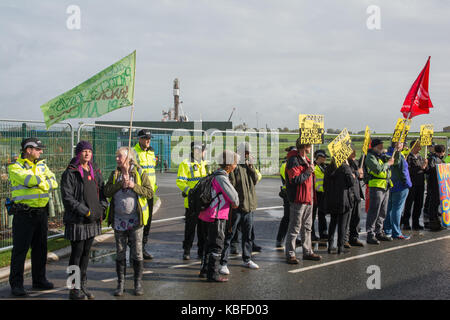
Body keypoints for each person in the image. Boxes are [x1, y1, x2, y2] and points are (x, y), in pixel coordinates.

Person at [7, 138, 58, 297]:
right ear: (28, 150)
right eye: (38, 149)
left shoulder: (42, 164)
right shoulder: (15, 167)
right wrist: (43, 180)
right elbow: (29, 181)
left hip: (41, 213)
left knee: (40, 249)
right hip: (24, 214)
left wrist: (41, 182)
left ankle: (39, 280)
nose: (41, 151)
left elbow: (54, 182)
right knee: (20, 251)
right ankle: (16, 284)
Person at [61, 141, 108, 300]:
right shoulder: (70, 173)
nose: (87, 153)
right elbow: (68, 198)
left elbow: (101, 191)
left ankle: (83, 285)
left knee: (87, 253)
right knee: (77, 254)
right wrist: (85, 211)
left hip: (93, 219)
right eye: (84, 151)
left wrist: (102, 207)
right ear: (78, 153)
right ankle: (73, 289)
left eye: (89, 151)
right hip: (78, 220)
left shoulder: (95, 169)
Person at [104, 147, 153, 296]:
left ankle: (137, 284)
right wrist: (120, 184)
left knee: (137, 254)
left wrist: (133, 186)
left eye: (120, 156)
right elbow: (106, 191)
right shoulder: (115, 174)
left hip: (136, 221)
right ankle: (121, 284)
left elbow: (149, 193)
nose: (117, 159)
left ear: (128, 158)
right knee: (120, 253)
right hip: (119, 221)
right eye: (116, 156)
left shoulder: (140, 174)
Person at [219, 143, 260, 275]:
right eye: (245, 153)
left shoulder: (249, 166)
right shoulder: (233, 166)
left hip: (249, 207)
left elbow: (255, 180)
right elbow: (230, 186)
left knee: (247, 236)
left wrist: (251, 168)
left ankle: (247, 259)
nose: (247, 155)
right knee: (229, 236)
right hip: (236, 208)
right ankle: (223, 263)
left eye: (248, 153)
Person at [198, 150, 239, 282]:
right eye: (235, 163)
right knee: (217, 245)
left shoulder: (214, 174)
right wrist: (234, 203)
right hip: (217, 215)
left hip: (205, 214)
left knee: (207, 244)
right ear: (229, 165)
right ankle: (213, 274)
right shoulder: (222, 177)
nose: (236, 165)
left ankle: (204, 270)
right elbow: (235, 198)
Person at [284, 139, 321, 264]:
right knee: (295, 227)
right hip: (298, 199)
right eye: (310, 145)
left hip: (308, 198)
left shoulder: (307, 160)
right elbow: (294, 179)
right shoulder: (294, 160)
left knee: (307, 227)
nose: (311, 148)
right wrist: (308, 171)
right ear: (304, 146)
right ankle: (290, 254)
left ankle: (307, 251)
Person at [176, 142, 209, 260]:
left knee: (202, 229)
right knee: (190, 228)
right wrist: (189, 191)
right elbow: (180, 181)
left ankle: (201, 251)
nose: (203, 153)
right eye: (201, 150)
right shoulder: (185, 164)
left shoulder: (206, 164)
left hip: (204, 203)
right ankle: (187, 250)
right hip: (191, 203)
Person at [364, 138, 395, 245]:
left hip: (385, 185)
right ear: (374, 147)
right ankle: (370, 233)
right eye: (380, 146)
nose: (382, 148)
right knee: (374, 211)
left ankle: (379, 231)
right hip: (376, 186)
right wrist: (388, 164)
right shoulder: (370, 157)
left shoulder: (381, 156)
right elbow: (378, 169)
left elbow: (393, 159)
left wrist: (395, 151)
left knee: (383, 211)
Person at [133, 129, 157, 260]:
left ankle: (143, 248)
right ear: (139, 139)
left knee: (147, 221)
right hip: (139, 193)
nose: (148, 140)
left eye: (149, 138)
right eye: (145, 138)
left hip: (150, 192)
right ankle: (135, 248)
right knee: (138, 222)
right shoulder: (134, 152)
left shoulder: (151, 152)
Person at [324, 158, 356, 254]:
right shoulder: (345, 168)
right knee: (343, 224)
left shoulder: (328, 168)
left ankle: (330, 246)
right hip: (343, 199)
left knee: (333, 223)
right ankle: (340, 247)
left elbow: (325, 184)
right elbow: (351, 182)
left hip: (332, 199)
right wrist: (353, 174)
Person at [383, 142, 412, 240]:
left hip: (390, 184)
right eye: (401, 143)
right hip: (400, 185)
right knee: (397, 209)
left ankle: (387, 230)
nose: (403, 145)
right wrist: (406, 183)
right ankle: (396, 232)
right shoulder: (397, 155)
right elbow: (402, 171)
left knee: (389, 209)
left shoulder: (387, 154)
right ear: (397, 145)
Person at [276, 146, 302, 248]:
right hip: (288, 193)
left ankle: (294, 239)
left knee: (294, 217)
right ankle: (280, 239)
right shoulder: (285, 165)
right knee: (287, 217)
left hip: (293, 192)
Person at [402, 140, 428, 230]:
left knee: (419, 204)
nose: (420, 148)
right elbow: (407, 170)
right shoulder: (408, 157)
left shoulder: (421, 157)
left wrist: (425, 166)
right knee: (409, 204)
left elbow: (424, 170)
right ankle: (405, 223)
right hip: (412, 184)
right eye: (418, 146)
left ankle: (415, 223)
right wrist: (420, 167)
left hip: (420, 183)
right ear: (413, 147)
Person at [345, 149, 365, 247]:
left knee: (356, 217)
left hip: (357, 193)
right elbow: (350, 177)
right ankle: (345, 239)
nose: (354, 154)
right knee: (347, 219)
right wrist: (357, 173)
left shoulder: (356, 162)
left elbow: (358, 177)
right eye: (352, 153)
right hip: (349, 194)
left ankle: (354, 237)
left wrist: (361, 174)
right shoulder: (345, 163)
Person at [425, 144, 446, 231]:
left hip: (439, 185)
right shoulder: (433, 159)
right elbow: (429, 171)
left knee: (436, 204)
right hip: (434, 185)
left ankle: (436, 221)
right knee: (433, 204)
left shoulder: (439, 160)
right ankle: (433, 222)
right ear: (442, 152)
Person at [312, 149, 328, 242]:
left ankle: (323, 233)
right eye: (324, 157)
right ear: (320, 157)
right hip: (315, 193)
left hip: (322, 194)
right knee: (312, 215)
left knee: (322, 214)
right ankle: (312, 234)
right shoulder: (313, 166)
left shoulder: (324, 167)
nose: (325, 159)